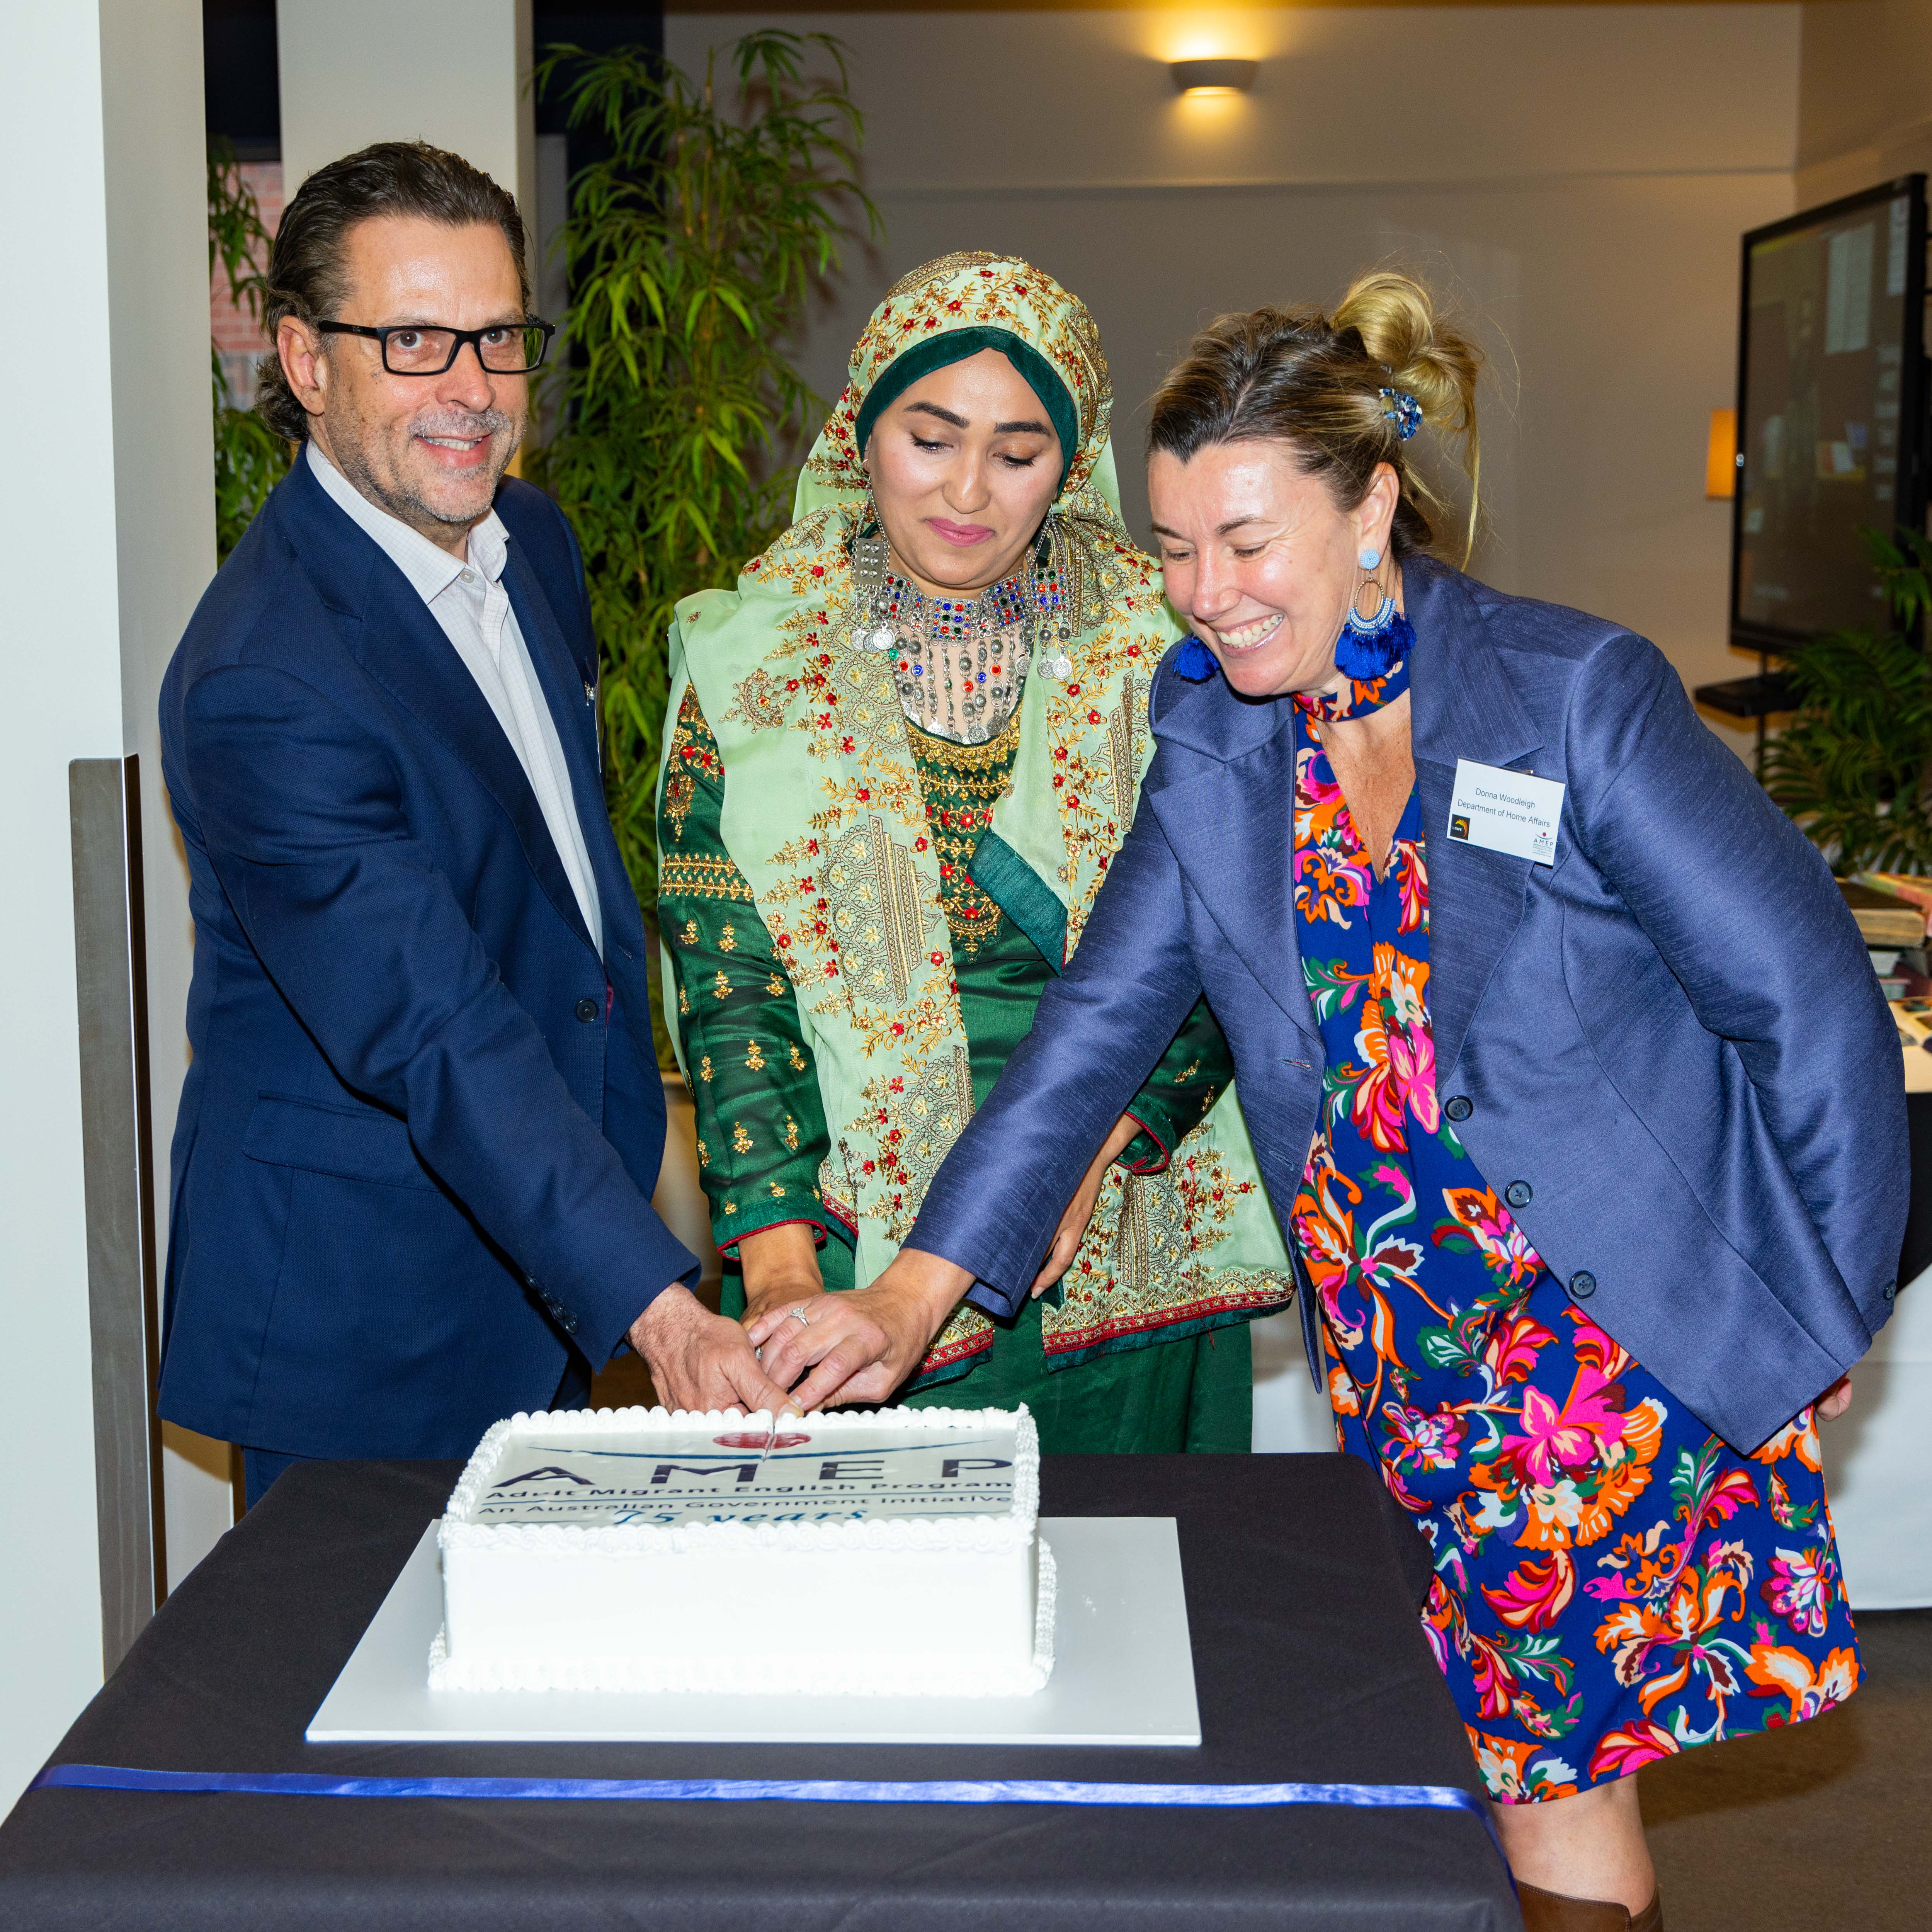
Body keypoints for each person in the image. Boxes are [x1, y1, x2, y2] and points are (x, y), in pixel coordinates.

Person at [752, 274, 1906, 1929]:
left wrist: (1815, 1317)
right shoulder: (1217, 731)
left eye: (1243, 541)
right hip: (1400, 1354)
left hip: (1594, 1348)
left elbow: (1803, 1004)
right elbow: (1096, 1024)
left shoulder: (1564, 694)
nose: (1200, 593)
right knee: (1488, 1768)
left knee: (1547, 1785)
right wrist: (911, 1289)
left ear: (1368, 506)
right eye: (1167, 546)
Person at [159, 142, 789, 1507]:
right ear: (306, 362)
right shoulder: (266, 679)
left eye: (496, 337)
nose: (471, 389)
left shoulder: (534, 544)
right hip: (366, 1319)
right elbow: (435, 1026)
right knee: (363, 1711)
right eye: (412, 339)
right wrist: (658, 1309)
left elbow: (553, 896)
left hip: (547, 1269)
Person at [656, 252, 1293, 1451]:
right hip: (847, 1232)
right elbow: (731, 990)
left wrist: (1092, 1146)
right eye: (930, 438)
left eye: (1017, 454)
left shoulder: (1172, 648)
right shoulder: (750, 659)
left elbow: (1235, 943)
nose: (969, 492)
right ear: (862, 433)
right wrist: (783, 1271)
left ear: (1072, 462)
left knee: (1140, 1596)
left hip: (1126, 1227)